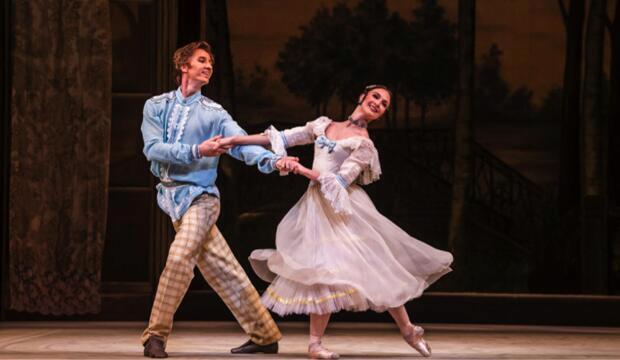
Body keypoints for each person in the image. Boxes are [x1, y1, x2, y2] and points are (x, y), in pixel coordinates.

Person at [219, 85, 453, 359]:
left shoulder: (364, 145)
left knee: (376, 265)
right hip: (316, 208)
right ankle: (315, 344)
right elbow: (281, 137)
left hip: (343, 208)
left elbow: (338, 181)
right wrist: (235, 141)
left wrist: (299, 168)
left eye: (385, 104)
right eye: (376, 97)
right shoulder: (323, 125)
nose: (378, 103)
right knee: (322, 270)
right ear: (362, 97)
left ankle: (407, 329)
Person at [139, 40, 299, 358]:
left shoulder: (214, 113)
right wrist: (199, 150)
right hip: (172, 199)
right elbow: (153, 149)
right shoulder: (155, 106)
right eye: (201, 60)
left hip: (202, 199)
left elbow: (240, 144)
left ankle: (154, 336)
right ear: (184, 66)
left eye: (211, 62)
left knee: (179, 256)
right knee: (224, 270)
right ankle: (265, 334)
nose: (208, 65)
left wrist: (272, 161)